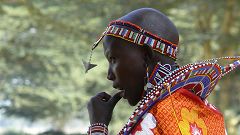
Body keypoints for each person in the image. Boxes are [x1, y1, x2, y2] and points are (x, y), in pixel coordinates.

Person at [85, 8, 240, 135]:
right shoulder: (211, 114)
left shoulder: (154, 120)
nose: (109, 75)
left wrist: (98, 126)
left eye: (113, 59)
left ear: (146, 56)